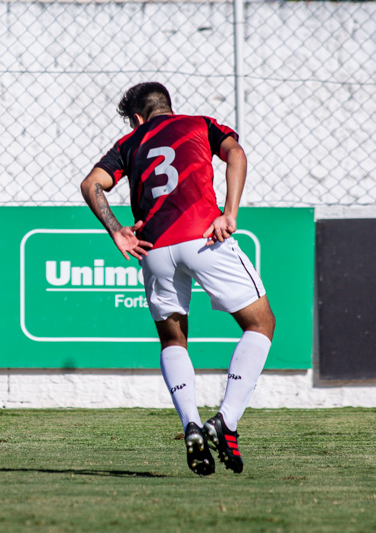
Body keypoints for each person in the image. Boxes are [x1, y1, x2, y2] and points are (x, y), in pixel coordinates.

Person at [80, 82, 276, 476]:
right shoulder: (199, 124)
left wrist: (118, 230)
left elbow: (91, 185)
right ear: (167, 106)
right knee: (261, 323)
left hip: (153, 249)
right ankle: (226, 421)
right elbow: (235, 153)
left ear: (137, 117)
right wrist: (230, 213)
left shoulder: (129, 142)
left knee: (173, 340)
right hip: (203, 237)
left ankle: (191, 424)